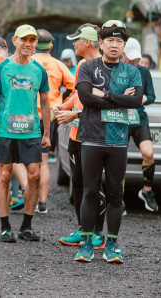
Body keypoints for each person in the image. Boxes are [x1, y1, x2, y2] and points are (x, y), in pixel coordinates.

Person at [73, 20, 143, 264]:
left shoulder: (133, 71)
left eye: (119, 41)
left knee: (115, 194)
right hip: (91, 137)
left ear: (125, 45)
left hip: (118, 140)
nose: (115, 45)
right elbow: (84, 97)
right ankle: (86, 244)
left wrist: (104, 94)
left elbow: (136, 102)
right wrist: (119, 99)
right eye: (110, 41)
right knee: (90, 191)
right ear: (100, 43)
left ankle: (112, 245)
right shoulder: (88, 67)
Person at [0, 24, 50, 243]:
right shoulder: (2, 68)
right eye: (24, 39)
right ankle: (5, 227)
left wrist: (47, 132)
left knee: (34, 175)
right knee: (4, 175)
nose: (29, 44)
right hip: (5, 130)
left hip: (31, 130)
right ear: (14, 41)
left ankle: (26, 226)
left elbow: (46, 102)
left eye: (32, 40)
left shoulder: (39, 70)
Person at [54, 24, 106, 249]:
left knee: (93, 187)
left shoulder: (103, 66)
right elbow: (77, 94)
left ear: (87, 41)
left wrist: (72, 113)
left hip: (94, 135)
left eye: (76, 39)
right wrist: (62, 106)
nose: (73, 43)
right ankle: (82, 229)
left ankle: (98, 234)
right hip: (76, 134)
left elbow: (103, 104)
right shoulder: (82, 65)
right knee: (77, 184)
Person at [32, 29, 75, 213]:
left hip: (26, 115)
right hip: (50, 116)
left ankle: (28, 196)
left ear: (33, 44)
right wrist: (63, 106)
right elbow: (74, 87)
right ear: (51, 46)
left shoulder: (27, 62)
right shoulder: (58, 65)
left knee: (22, 159)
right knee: (43, 160)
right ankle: (42, 202)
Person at [122, 38, 158, 212]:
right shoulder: (116, 69)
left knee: (148, 153)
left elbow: (152, 95)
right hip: (120, 117)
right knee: (119, 159)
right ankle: (118, 200)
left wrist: (144, 99)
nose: (134, 61)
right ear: (122, 55)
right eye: (130, 58)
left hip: (139, 117)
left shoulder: (143, 71)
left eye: (136, 58)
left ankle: (147, 191)